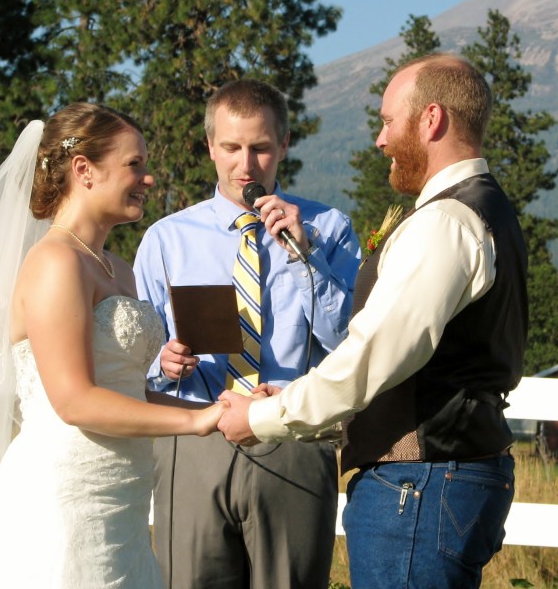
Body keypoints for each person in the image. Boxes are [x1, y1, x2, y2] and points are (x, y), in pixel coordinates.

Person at [218, 54, 530, 589]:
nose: (380, 140)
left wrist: (266, 418)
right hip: (443, 477)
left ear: (430, 120)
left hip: (420, 486)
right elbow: (420, 370)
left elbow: (373, 357)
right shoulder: (487, 209)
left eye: (388, 121)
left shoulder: (446, 224)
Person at [0, 103, 223, 589]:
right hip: (60, 503)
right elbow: (74, 400)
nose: (148, 178)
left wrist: (220, 410)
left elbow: (126, 391)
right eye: (134, 164)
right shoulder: (55, 263)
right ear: (84, 170)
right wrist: (194, 421)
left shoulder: (116, 268)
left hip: (118, 503)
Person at [133, 79, 361, 589]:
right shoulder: (167, 239)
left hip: (293, 432)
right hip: (195, 436)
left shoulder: (330, 228)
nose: (246, 165)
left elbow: (350, 342)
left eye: (260, 148)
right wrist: (162, 363)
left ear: (283, 146)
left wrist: (306, 258)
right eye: (232, 148)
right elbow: (139, 355)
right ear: (211, 147)